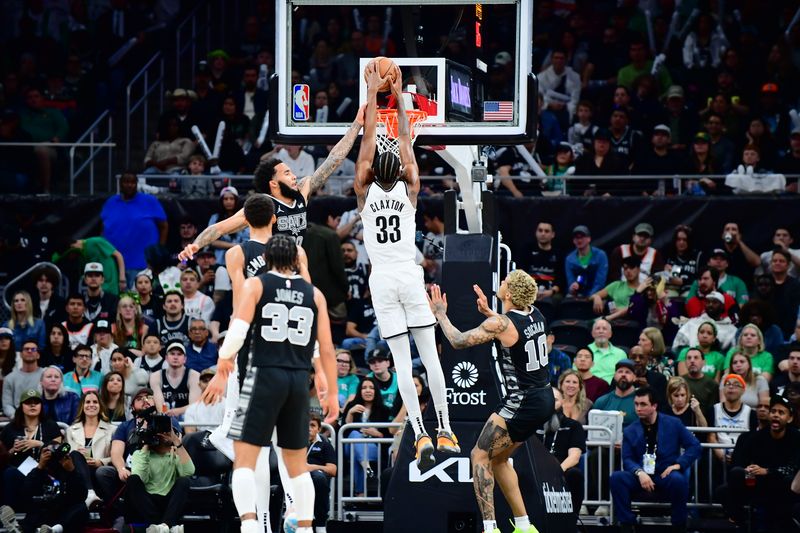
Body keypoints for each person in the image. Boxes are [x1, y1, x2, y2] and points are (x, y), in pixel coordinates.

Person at [352, 62, 458, 471]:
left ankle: (418, 436)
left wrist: (371, 95)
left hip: (382, 280)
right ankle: (445, 429)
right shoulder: (411, 187)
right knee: (429, 359)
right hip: (410, 276)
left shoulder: (362, 191)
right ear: (400, 167)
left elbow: (367, 138)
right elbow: (402, 137)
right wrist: (396, 97)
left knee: (400, 362)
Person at [201, 235, 338, 533]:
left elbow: (237, 331)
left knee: (245, 461)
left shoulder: (257, 284)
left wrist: (223, 364)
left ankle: (251, 526)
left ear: (266, 260)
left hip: (262, 376)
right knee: (297, 466)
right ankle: (304, 528)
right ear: (296, 261)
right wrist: (333, 393)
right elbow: (326, 349)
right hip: (298, 382)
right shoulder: (315, 294)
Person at [429, 269, 552, 533]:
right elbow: (513, 331)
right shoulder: (535, 313)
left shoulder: (501, 324)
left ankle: (490, 528)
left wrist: (440, 312)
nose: (502, 282)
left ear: (509, 293)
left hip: (523, 401)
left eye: (505, 281)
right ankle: (524, 526)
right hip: (543, 397)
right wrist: (489, 313)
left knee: (479, 455)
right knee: (499, 460)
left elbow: (458, 341)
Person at [177, 104, 365, 260]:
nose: (293, 176)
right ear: (273, 183)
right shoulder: (264, 206)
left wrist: (357, 124)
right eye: (287, 173)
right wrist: (196, 245)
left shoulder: (302, 191)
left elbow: (334, 159)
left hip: (297, 266)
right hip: (269, 268)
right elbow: (219, 227)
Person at [610, 387, 702, 533]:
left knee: (678, 480)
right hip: (641, 476)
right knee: (617, 477)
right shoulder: (630, 430)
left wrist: (678, 465)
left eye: (643, 404)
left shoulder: (673, 423)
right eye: (636, 404)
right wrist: (639, 473)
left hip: (665, 473)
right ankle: (627, 524)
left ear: (654, 406)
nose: (638, 408)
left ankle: (679, 525)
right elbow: (627, 459)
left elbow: (694, 446)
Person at [721, 395, 800, 530]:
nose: (776, 415)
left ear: (790, 418)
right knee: (726, 486)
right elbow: (738, 463)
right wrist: (748, 470)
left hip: (784, 487)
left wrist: (767, 471)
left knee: (787, 480)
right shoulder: (756, 437)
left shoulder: (796, 438)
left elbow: (792, 469)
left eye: (781, 413)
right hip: (758, 484)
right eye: (773, 411)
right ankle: (742, 523)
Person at [101, 173, 169, 286]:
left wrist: (159, 250)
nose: (129, 185)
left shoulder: (150, 201)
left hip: (143, 265)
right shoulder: (110, 202)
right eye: (126, 182)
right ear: (120, 184)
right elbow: (103, 228)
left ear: (136, 184)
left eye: (132, 182)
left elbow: (164, 226)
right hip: (113, 265)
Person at [125, 423, 194, 532]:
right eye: (161, 433)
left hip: (168, 502)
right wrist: (147, 444)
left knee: (184, 481)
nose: (165, 436)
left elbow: (189, 472)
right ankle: (164, 526)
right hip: (147, 502)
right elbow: (141, 478)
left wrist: (177, 442)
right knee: (133, 479)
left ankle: (163, 526)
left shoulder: (175, 456)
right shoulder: (139, 454)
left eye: (167, 433)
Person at [0, 389, 62, 509]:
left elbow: (58, 449)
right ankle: (7, 514)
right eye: (28, 402)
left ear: (41, 406)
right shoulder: (10, 428)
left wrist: (40, 443)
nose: (33, 405)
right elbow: (3, 457)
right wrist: (13, 450)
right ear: (21, 406)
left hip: (44, 471)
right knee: (9, 473)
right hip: (17, 472)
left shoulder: (50, 425)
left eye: (36, 402)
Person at [537, 387, 587, 514]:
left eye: (555, 400)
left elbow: (574, 456)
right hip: (535, 468)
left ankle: (572, 519)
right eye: (547, 399)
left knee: (575, 475)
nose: (551, 403)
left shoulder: (573, 426)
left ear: (563, 402)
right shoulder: (531, 425)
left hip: (561, 469)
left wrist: (557, 471)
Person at [342, 377, 392, 496]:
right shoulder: (352, 406)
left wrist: (377, 434)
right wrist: (350, 413)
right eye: (364, 388)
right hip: (351, 446)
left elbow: (388, 436)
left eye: (371, 388)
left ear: (376, 391)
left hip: (374, 448)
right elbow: (344, 431)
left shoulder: (384, 410)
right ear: (360, 391)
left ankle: (360, 493)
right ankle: (366, 466)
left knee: (358, 454)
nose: (367, 390)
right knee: (354, 435)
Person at [65, 390, 114, 509]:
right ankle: (90, 493)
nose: (91, 405)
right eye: (87, 402)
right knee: (75, 454)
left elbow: (116, 456)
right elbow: (67, 455)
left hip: (99, 472)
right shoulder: (71, 430)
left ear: (100, 406)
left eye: (95, 402)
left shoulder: (112, 429)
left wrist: (101, 462)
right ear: (82, 406)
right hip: (78, 474)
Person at [707, 374, 756, 464]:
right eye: (728, 384)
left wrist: (737, 455)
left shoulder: (751, 413)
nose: (731, 387)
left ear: (743, 390)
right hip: (718, 455)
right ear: (724, 389)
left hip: (742, 456)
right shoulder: (713, 410)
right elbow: (711, 437)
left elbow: (751, 440)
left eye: (736, 384)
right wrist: (721, 454)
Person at [150, 342, 200, 419]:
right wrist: (168, 415)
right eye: (172, 354)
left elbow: (194, 406)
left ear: (185, 359)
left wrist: (176, 411)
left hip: (187, 416)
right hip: (164, 417)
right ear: (166, 358)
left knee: (190, 416)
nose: (175, 357)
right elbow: (159, 406)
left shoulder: (194, 375)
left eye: (179, 354)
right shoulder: (156, 376)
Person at [672, 294, 737, 352]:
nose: (710, 305)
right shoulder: (692, 323)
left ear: (722, 306)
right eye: (708, 302)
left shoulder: (731, 329)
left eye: (714, 302)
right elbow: (678, 345)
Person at [306, 413, 336, 532]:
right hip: (295, 473)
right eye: (305, 425)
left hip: (315, 473)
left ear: (318, 429)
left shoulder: (325, 446)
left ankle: (320, 525)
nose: (308, 428)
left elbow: (333, 470)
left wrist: (312, 467)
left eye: (312, 425)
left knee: (319, 478)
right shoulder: (294, 444)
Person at [2, 339, 45, 417]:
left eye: (33, 349)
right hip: (17, 419)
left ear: (38, 355)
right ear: (21, 354)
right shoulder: (10, 378)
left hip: (43, 416)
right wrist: (18, 418)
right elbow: (7, 405)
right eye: (26, 349)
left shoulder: (46, 375)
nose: (29, 351)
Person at [591, 255, 641, 320]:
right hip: (613, 323)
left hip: (634, 323)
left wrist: (620, 310)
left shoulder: (644, 289)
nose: (628, 271)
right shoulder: (616, 285)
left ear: (638, 270)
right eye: (625, 268)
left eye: (631, 268)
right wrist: (596, 297)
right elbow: (591, 297)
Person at [564, 225, 608, 298]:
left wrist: (590, 297)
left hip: (596, 294)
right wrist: (573, 288)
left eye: (582, 237)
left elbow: (600, 282)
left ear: (589, 239)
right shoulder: (569, 259)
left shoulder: (601, 255)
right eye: (576, 238)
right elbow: (570, 282)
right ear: (573, 241)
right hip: (577, 296)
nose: (579, 240)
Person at [593, 360, 638, 428]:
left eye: (627, 372)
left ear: (634, 377)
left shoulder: (640, 402)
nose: (623, 375)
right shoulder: (601, 401)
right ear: (614, 376)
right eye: (620, 371)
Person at [523, 221, 562, 300]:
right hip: (528, 292)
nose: (543, 234)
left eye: (546, 231)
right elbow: (520, 273)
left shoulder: (558, 254)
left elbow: (562, 280)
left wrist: (552, 291)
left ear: (553, 234)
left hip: (551, 293)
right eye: (540, 230)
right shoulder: (527, 251)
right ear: (536, 233)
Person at [183, 369, 225, 433]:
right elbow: (189, 433)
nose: (209, 384)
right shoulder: (192, 408)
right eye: (205, 381)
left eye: (212, 380)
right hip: (200, 440)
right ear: (199, 384)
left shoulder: (226, 404)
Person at [587, 319, 628, 384]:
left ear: (610, 334)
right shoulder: (584, 351)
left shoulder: (621, 354)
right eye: (597, 328)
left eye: (604, 329)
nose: (601, 331)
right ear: (592, 333)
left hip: (612, 390)